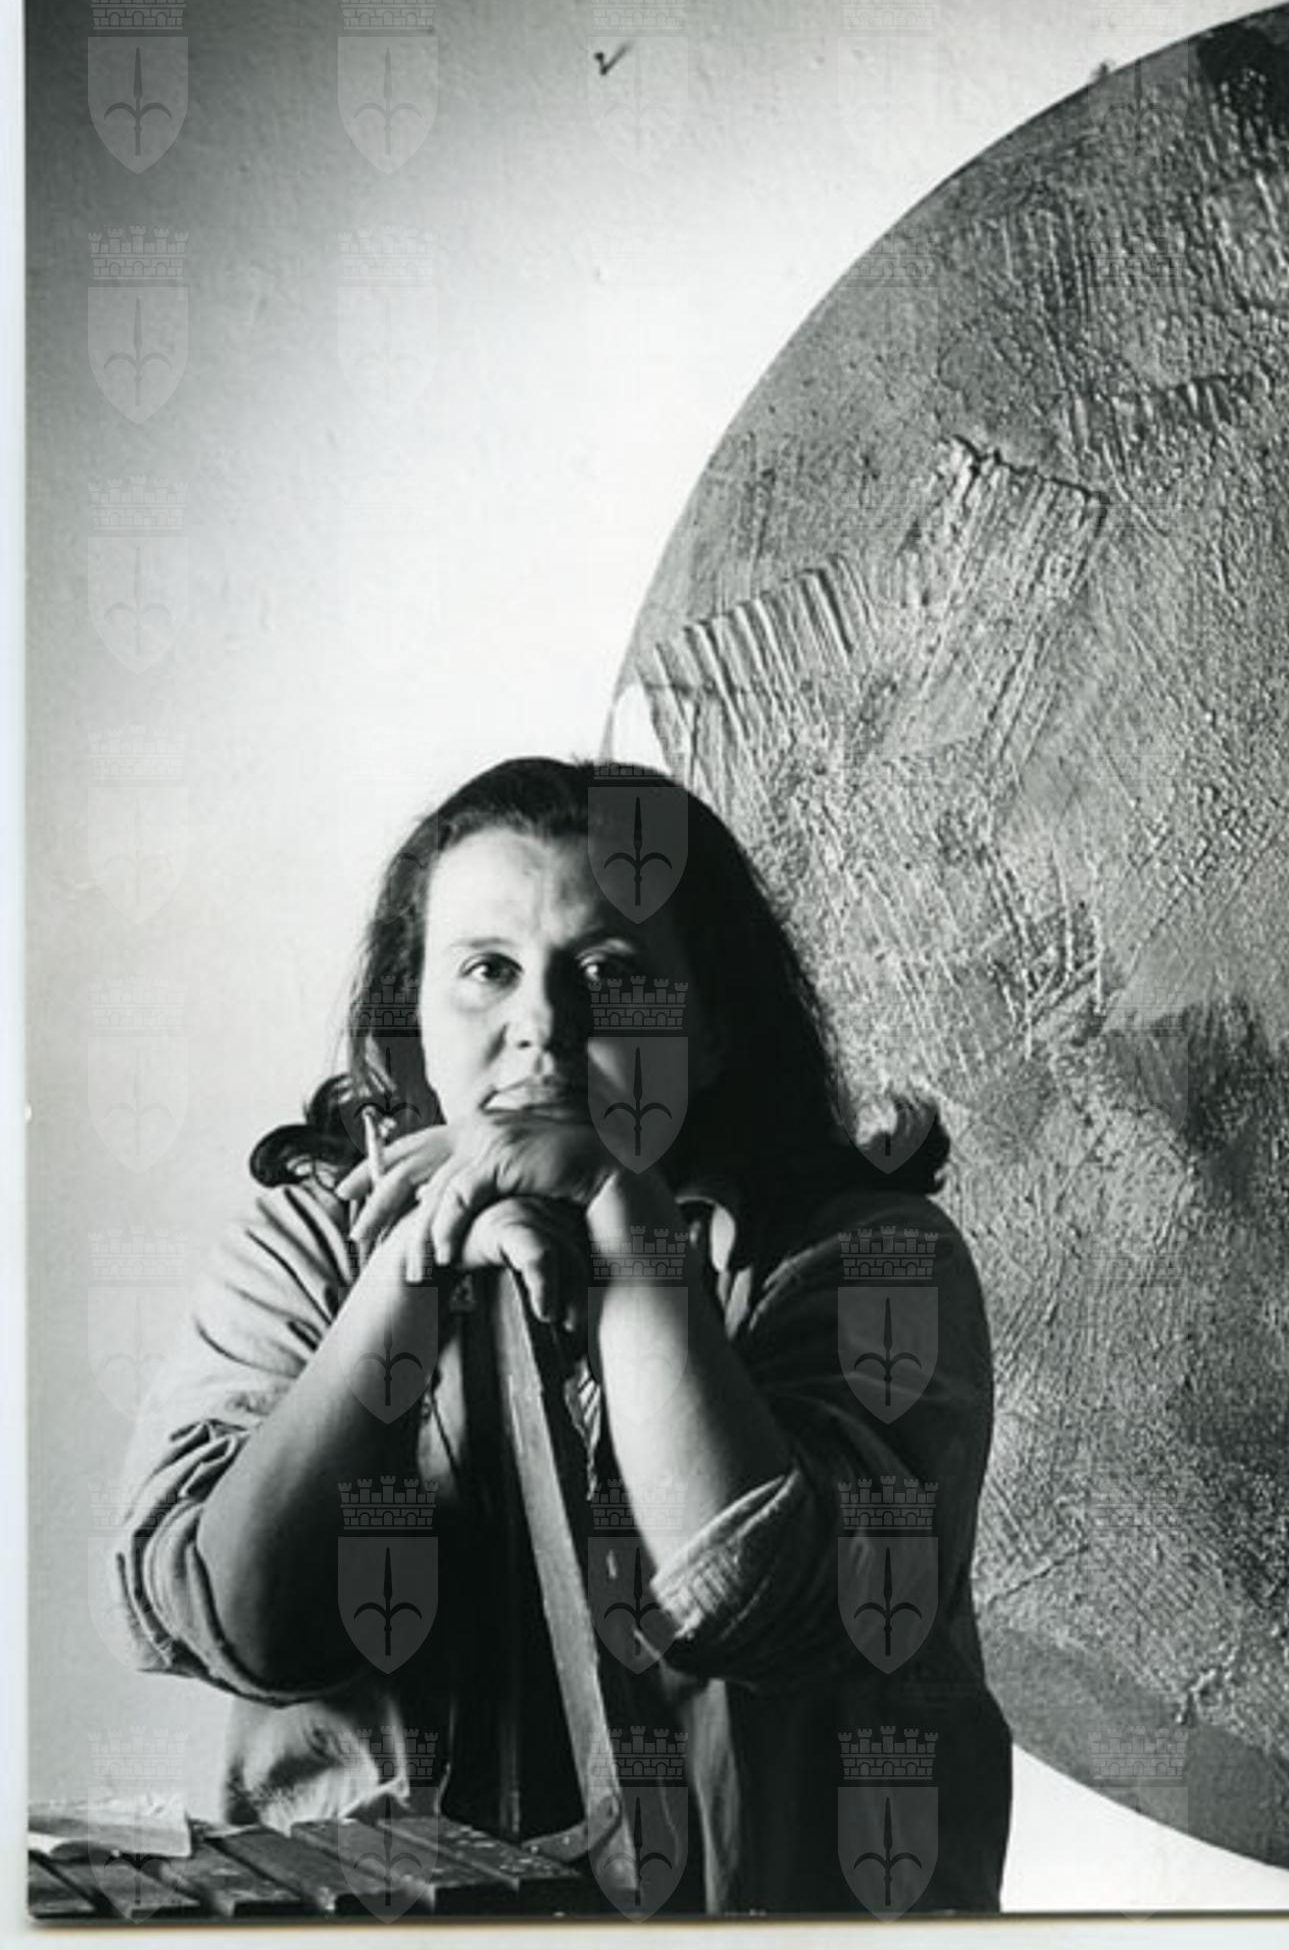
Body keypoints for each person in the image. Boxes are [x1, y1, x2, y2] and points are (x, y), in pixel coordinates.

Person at [109, 756, 1011, 1915]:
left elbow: (762, 1602)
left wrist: (623, 1218)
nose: (540, 1025)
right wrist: (409, 1273)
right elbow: (239, 1624)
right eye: (486, 969)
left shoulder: (872, 1257)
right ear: (413, 1017)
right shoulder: (306, 1249)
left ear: (713, 1025)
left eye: (610, 973)